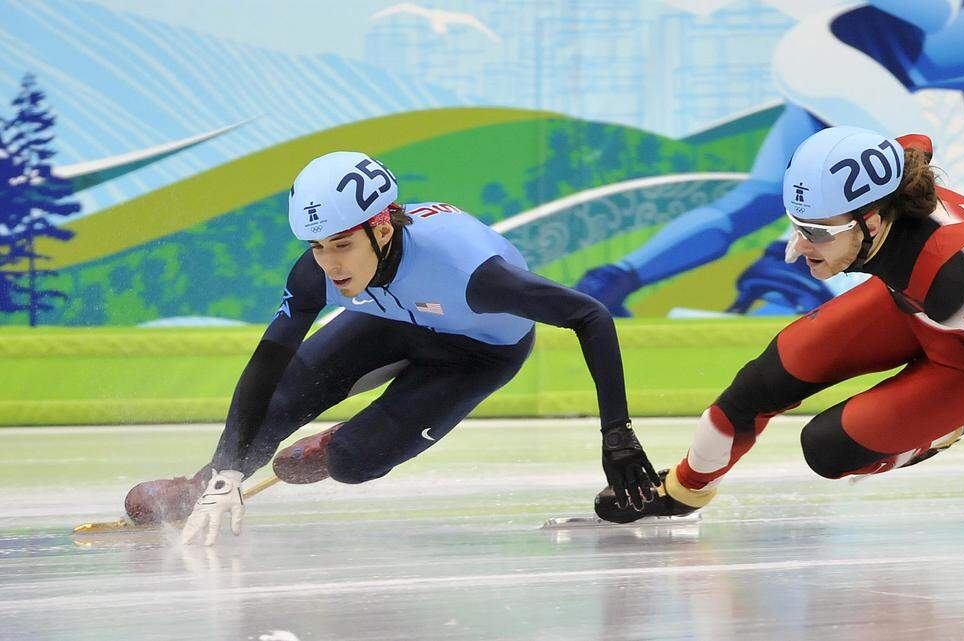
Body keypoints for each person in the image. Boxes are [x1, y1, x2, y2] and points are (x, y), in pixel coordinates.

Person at [595, 126, 964, 543]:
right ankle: (683, 493)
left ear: (874, 221)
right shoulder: (888, 186)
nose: (801, 244)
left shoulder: (958, 281)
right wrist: (817, 231)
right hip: (908, 303)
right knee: (757, 386)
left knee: (828, 450)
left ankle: (945, 428)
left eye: (816, 232)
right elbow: (916, 142)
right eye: (797, 226)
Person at [125, 151, 659, 545]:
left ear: (382, 227)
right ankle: (200, 487)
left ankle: (341, 443)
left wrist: (618, 433)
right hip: (390, 323)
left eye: (342, 245)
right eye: (316, 247)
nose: (330, 265)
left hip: (477, 354)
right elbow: (267, 363)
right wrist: (226, 468)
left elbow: (590, 314)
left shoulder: (472, 275)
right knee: (277, 405)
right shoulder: (317, 271)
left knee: (355, 463)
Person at [576, 0, 964, 317]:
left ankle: (616, 278)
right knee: (907, 160)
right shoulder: (960, 10)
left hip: (826, 65)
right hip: (839, 60)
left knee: (760, 196)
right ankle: (789, 282)